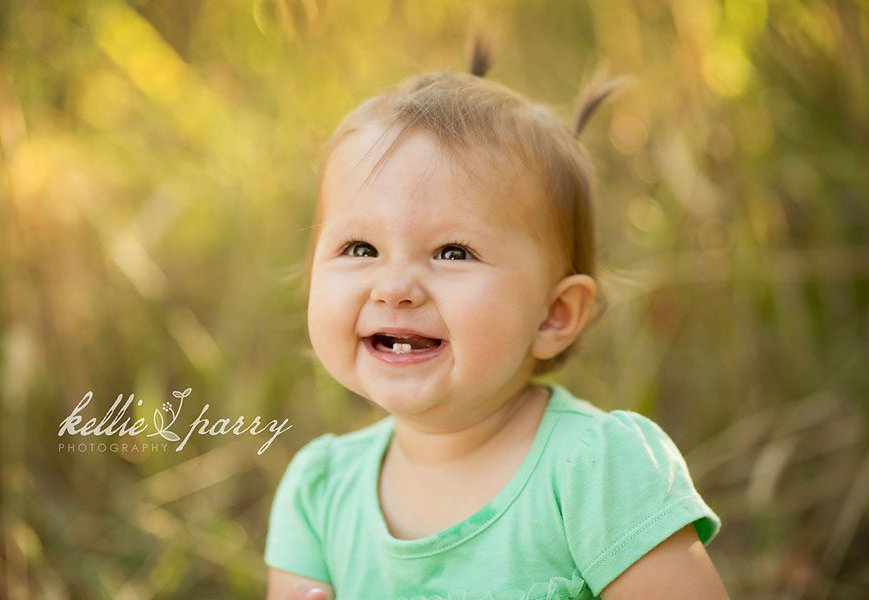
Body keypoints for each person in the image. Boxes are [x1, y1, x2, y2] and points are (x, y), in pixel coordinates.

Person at [264, 42, 729, 600]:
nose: (393, 288)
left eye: (453, 253)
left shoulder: (595, 471)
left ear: (554, 315)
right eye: (360, 247)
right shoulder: (317, 494)